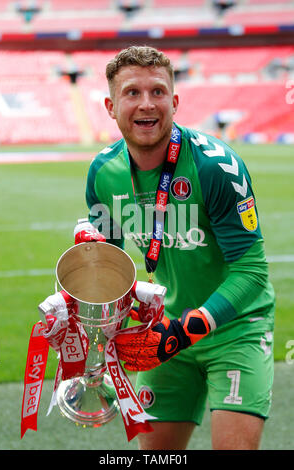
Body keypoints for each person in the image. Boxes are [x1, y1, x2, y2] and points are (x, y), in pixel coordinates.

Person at [83, 46, 275, 450]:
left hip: (234, 329)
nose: (146, 104)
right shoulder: (103, 172)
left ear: (175, 101)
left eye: (157, 92)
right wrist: (88, 293)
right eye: (132, 93)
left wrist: (190, 328)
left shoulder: (216, 167)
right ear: (110, 105)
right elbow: (109, 266)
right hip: (166, 334)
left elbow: (252, 272)